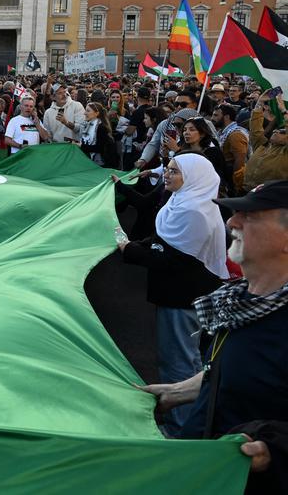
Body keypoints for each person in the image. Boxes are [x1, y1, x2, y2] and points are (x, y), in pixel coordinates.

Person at [141, 181, 288, 493]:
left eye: (251, 216)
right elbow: (231, 368)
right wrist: (175, 392)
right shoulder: (240, 303)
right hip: (199, 471)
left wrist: (274, 451)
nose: (232, 222)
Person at [117, 153, 228, 435]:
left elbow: (173, 260)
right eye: (167, 169)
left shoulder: (193, 211)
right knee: (190, 361)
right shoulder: (186, 200)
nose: (167, 175)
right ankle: (193, 420)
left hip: (183, 298)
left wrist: (130, 251)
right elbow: (161, 242)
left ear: (193, 177)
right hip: (184, 295)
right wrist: (137, 245)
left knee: (178, 363)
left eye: (174, 171)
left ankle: (181, 429)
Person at [244, 90, 287, 190]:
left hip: (272, 199)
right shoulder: (262, 146)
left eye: (282, 131)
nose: (276, 131)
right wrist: (259, 103)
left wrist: (284, 110)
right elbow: (255, 129)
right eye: (276, 129)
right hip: (247, 192)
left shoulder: (285, 154)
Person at [213, 103, 250, 194]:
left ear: (226, 117)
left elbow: (240, 160)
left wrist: (236, 183)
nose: (212, 118)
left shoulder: (235, 134)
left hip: (234, 179)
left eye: (216, 115)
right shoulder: (223, 131)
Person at [79, 102, 118, 168]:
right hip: (91, 162)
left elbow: (99, 148)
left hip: (102, 163)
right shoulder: (87, 125)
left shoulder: (101, 127)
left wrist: (81, 146)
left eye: (88, 111)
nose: (84, 113)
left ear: (96, 113)